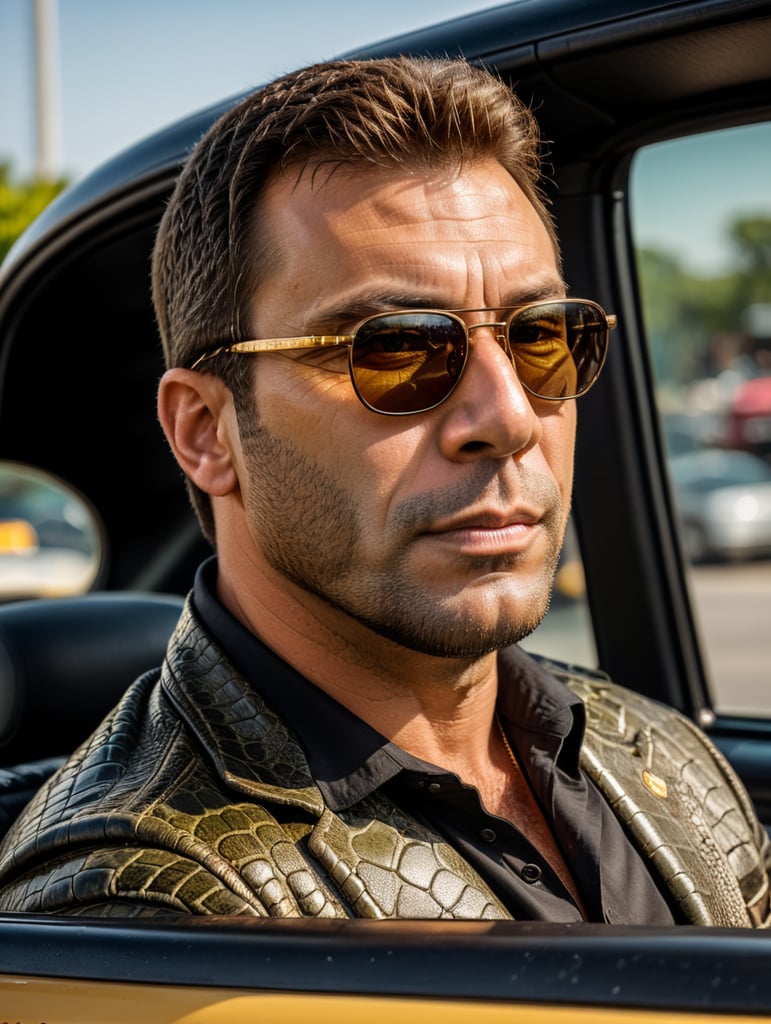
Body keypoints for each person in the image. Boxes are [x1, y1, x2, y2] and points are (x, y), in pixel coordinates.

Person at [0, 56, 767, 926]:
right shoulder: (141, 899)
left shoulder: (657, 747)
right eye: (395, 351)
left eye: (544, 337)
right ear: (205, 433)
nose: (509, 417)